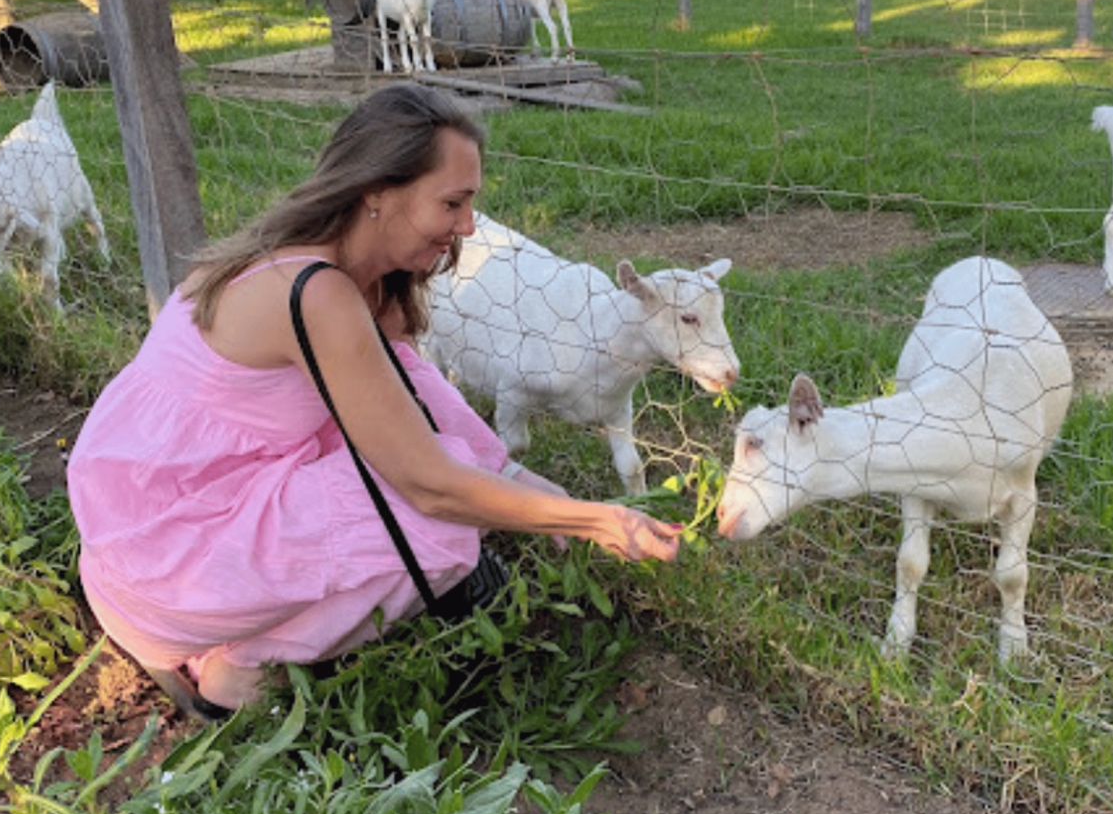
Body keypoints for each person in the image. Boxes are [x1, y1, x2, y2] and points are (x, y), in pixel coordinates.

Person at [67, 83, 681, 718]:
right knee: (436, 523)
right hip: (168, 556)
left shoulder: (333, 276)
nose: (468, 225)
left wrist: (534, 489)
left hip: (137, 543)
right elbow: (429, 485)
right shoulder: (316, 294)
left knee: (410, 447)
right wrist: (592, 521)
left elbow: (425, 403)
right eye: (452, 202)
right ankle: (242, 672)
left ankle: (240, 627)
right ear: (378, 193)